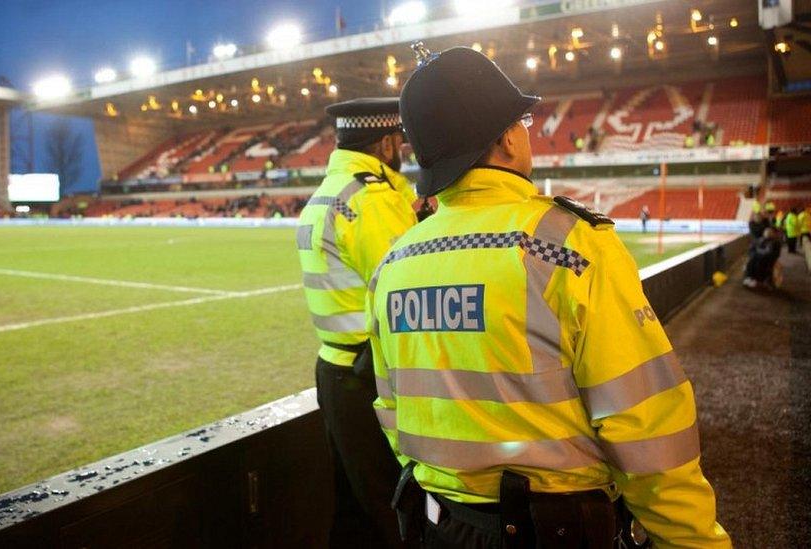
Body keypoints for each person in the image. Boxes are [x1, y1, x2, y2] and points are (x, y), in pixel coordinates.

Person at [367, 44, 731, 548]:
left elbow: (391, 411)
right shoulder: (570, 246)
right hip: (554, 530)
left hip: (437, 526)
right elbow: (646, 428)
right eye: (525, 124)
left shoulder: (393, 264)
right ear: (507, 140)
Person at [296, 97, 418, 548]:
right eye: (399, 142)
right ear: (386, 144)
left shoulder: (331, 190)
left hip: (335, 370)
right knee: (392, 511)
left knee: (354, 511)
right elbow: (407, 291)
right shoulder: (370, 199)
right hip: (368, 378)